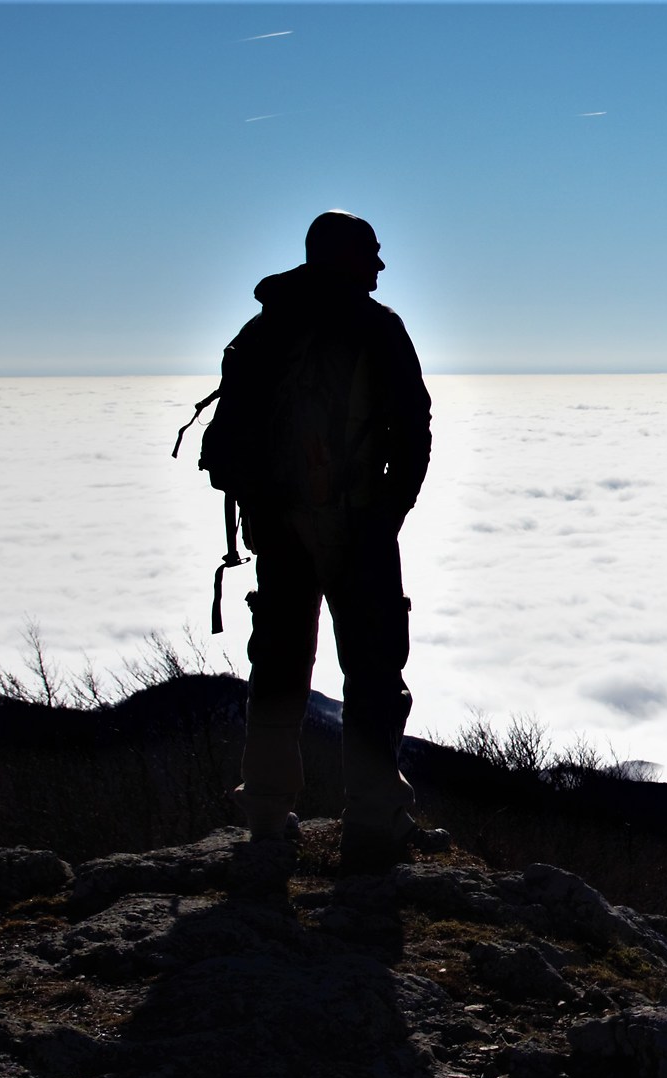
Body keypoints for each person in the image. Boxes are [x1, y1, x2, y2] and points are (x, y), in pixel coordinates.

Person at [219, 210, 436, 872]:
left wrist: (264, 513)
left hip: (279, 530)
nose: (380, 265)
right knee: (373, 673)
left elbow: (229, 444)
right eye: (371, 253)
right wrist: (388, 513)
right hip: (361, 526)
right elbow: (414, 431)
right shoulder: (378, 328)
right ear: (346, 258)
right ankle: (373, 820)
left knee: (279, 669)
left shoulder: (264, 331)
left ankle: (265, 818)